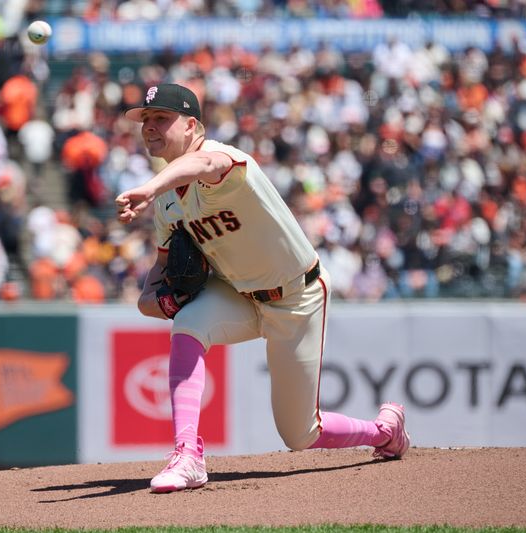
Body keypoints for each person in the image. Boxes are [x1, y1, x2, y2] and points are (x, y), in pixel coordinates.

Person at [115, 83, 410, 493]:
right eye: (145, 120)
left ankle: (383, 432)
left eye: (161, 118)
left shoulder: (225, 160)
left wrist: (149, 187)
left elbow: (202, 165)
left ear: (192, 125)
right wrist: (155, 302)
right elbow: (159, 273)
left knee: (300, 434)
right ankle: (187, 457)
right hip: (237, 294)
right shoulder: (167, 202)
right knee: (187, 324)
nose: (149, 127)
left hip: (296, 296)